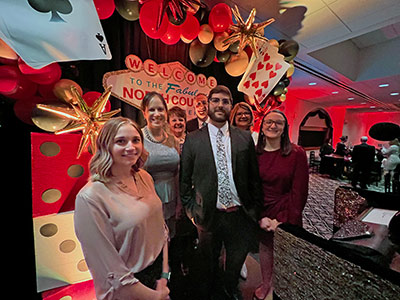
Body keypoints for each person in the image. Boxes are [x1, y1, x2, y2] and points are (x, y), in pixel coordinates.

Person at [180, 85, 263, 300]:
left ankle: (229, 291)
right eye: (215, 100)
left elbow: (254, 178)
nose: (220, 105)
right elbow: (184, 181)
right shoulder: (193, 139)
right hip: (208, 215)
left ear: (231, 106)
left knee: (235, 264)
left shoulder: (244, 138)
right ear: (208, 104)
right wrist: (191, 212)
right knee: (208, 265)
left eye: (225, 101)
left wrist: (253, 211)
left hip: (240, 216)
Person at [74, 117, 170, 300]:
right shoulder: (90, 198)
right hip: (127, 289)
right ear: (105, 146)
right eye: (121, 141)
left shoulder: (144, 177)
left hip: (157, 276)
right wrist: (154, 296)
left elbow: (161, 230)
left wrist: (164, 275)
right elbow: (110, 271)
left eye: (136, 140)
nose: (131, 147)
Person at [254, 110, 309, 300]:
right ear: (261, 127)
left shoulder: (296, 153)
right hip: (262, 212)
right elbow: (251, 188)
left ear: (285, 128)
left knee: (284, 254)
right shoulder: (255, 153)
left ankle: (278, 291)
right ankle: (266, 284)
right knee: (265, 251)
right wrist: (260, 217)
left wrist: (282, 221)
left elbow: (299, 192)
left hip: (286, 211)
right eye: (268, 122)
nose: (273, 126)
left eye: (278, 123)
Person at [141, 92, 181, 238]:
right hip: (147, 206)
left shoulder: (173, 139)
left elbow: (177, 172)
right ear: (144, 112)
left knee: (169, 244)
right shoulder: (137, 139)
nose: (156, 114)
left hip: (171, 203)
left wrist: (179, 203)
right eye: (152, 110)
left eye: (160, 109)